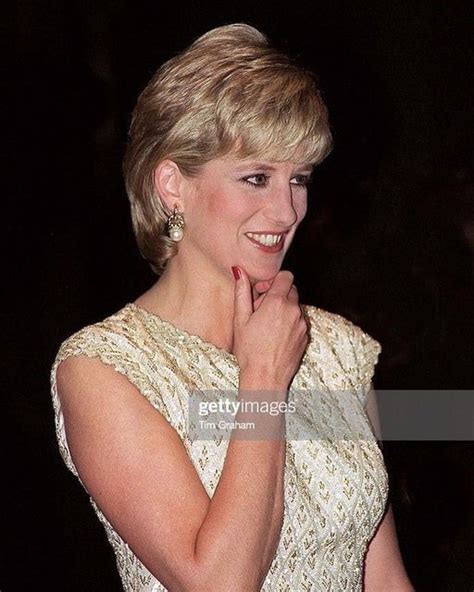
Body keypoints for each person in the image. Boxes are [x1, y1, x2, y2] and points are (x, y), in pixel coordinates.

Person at [50, 23, 414, 591]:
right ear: (172, 185)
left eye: (299, 178)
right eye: (256, 177)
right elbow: (219, 583)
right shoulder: (104, 368)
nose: (287, 210)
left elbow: (385, 578)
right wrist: (264, 379)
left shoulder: (335, 347)